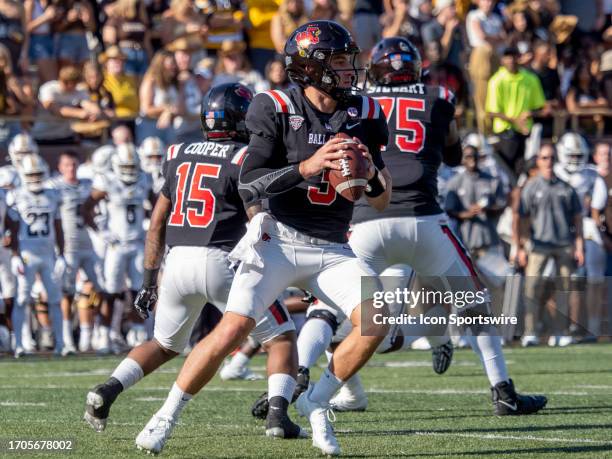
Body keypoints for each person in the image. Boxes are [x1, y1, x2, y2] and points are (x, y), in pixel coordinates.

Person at [135, 21, 392, 456]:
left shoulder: (365, 112)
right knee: (232, 328)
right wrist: (308, 167)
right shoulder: (273, 106)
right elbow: (250, 184)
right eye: (339, 61)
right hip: (279, 240)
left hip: (332, 247)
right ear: (310, 68)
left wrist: (368, 178)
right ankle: (164, 416)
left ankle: (315, 401)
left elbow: (382, 200)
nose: (350, 68)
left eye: (349, 59)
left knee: (377, 320)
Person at [311, 37, 546, 419]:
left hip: (364, 220)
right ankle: (502, 390)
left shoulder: (357, 100)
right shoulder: (438, 96)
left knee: (333, 311)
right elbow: (453, 153)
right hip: (424, 219)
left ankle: (302, 380)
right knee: (475, 305)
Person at [85, 84, 302, 444]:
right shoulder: (243, 156)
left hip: (177, 261)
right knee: (280, 338)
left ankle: (107, 391)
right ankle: (278, 418)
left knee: (165, 343)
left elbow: (157, 222)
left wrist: (148, 279)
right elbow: (257, 221)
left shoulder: (177, 152)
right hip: (223, 260)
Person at [83, 143, 154, 352]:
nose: (130, 172)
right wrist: (100, 231)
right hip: (116, 244)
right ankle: (104, 335)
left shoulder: (144, 179)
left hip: (137, 242)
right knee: (110, 292)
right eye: (126, 167)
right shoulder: (108, 181)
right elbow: (86, 208)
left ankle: (137, 332)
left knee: (138, 291)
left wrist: (150, 227)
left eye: (133, 167)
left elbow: (157, 205)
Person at [514, 143, 584, 346]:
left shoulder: (566, 187)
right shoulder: (531, 187)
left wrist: (579, 246)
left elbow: (577, 218)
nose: (549, 162)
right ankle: (530, 331)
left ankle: (561, 332)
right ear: (538, 161)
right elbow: (520, 218)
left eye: (552, 157)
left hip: (563, 243)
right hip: (539, 245)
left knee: (564, 289)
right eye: (544, 158)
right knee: (532, 287)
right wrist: (520, 246)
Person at [7, 154, 64, 357]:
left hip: (48, 253)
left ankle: (61, 343)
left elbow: (58, 226)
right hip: (26, 253)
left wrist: (62, 254)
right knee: (22, 299)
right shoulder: (16, 195)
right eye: (31, 174)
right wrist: (14, 255)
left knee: (55, 299)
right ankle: (20, 344)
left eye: (38, 173)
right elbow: (12, 229)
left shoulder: (52, 194)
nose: (35, 178)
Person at [49, 150, 103, 354]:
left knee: (102, 290)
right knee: (66, 293)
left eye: (74, 164)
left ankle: (95, 335)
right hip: (69, 247)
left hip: (89, 245)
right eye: (67, 165)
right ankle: (66, 339)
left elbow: (103, 192)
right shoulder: (54, 187)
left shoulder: (88, 184)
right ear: (59, 168)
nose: (71, 169)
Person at [485, 46, 546, 179]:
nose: (511, 60)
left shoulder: (530, 79)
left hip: (526, 133)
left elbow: (540, 106)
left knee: (525, 171)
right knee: (508, 171)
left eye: (513, 56)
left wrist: (530, 113)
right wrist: (516, 120)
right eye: (507, 57)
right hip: (506, 133)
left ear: (519, 58)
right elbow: (491, 111)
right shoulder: (496, 81)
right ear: (502, 60)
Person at [102, 0, 153, 78]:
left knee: (143, 81)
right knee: (130, 79)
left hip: (142, 53)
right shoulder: (117, 19)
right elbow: (109, 39)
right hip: (126, 53)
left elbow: (147, 40)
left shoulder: (141, 19)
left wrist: (150, 57)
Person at [420, 0, 464, 69]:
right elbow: (438, 57)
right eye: (451, 7)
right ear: (442, 9)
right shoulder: (428, 29)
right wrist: (448, 31)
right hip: (438, 73)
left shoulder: (456, 27)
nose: (455, 10)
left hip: (455, 72)